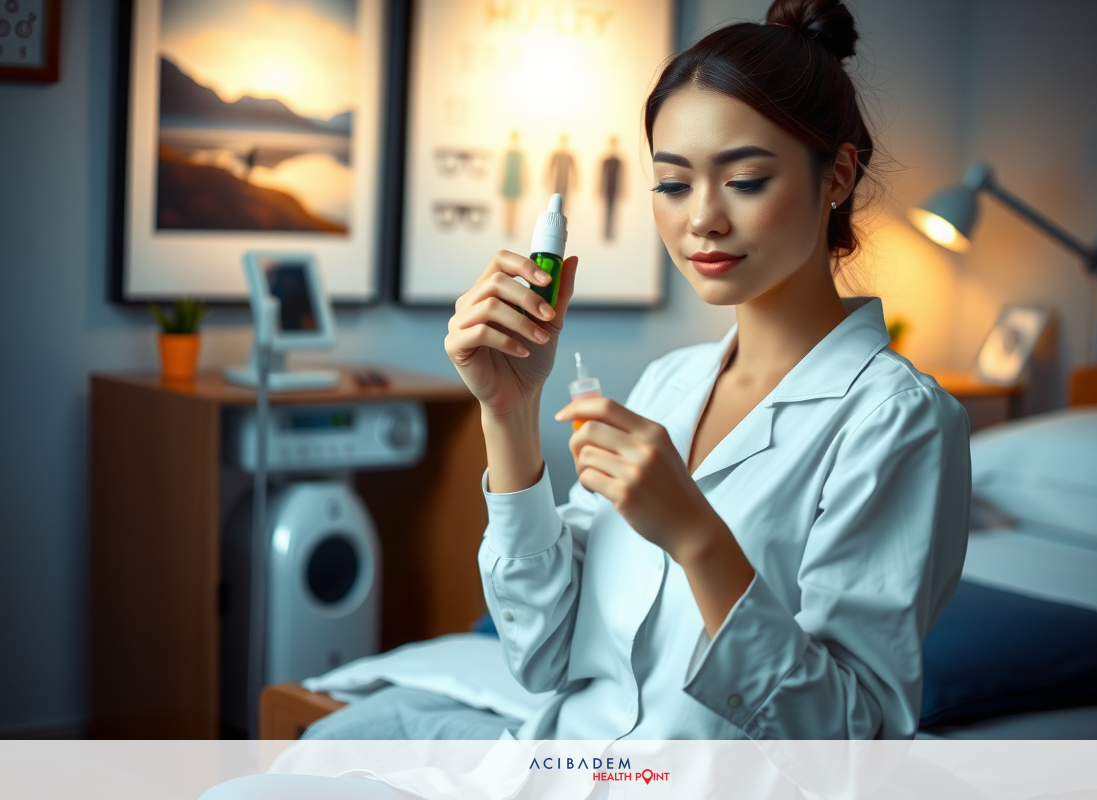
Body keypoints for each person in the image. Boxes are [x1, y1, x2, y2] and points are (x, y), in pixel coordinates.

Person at [203, 0, 969, 795]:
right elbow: (538, 652)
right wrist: (508, 412)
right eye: (672, 183)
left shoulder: (897, 421)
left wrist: (699, 540)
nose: (702, 218)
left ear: (836, 176)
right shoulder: (672, 384)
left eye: (745, 179)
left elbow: (848, 752)